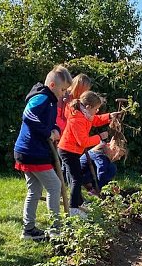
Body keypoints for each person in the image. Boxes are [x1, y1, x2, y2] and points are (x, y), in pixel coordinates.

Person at [13, 65, 73, 241]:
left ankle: (28, 230)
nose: (64, 94)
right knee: (55, 186)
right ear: (53, 85)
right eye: (63, 90)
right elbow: (29, 115)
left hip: (27, 151)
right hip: (32, 152)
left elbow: (46, 121)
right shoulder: (42, 97)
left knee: (34, 189)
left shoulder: (50, 100)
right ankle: (55, 228)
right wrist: (47, 133)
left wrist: (54, 129)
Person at [58, 90, 119, 217]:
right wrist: (100, 137)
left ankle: (77, 203)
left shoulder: (85, 114)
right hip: (67, 151)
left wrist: (109, 116)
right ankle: (73, 209)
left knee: (76, 178)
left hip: (73, 151)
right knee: (76, 179)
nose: (97, 111)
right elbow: (83, 142)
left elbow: (95, 120)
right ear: (88, 107)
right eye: (96, 109)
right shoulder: (77, 119)